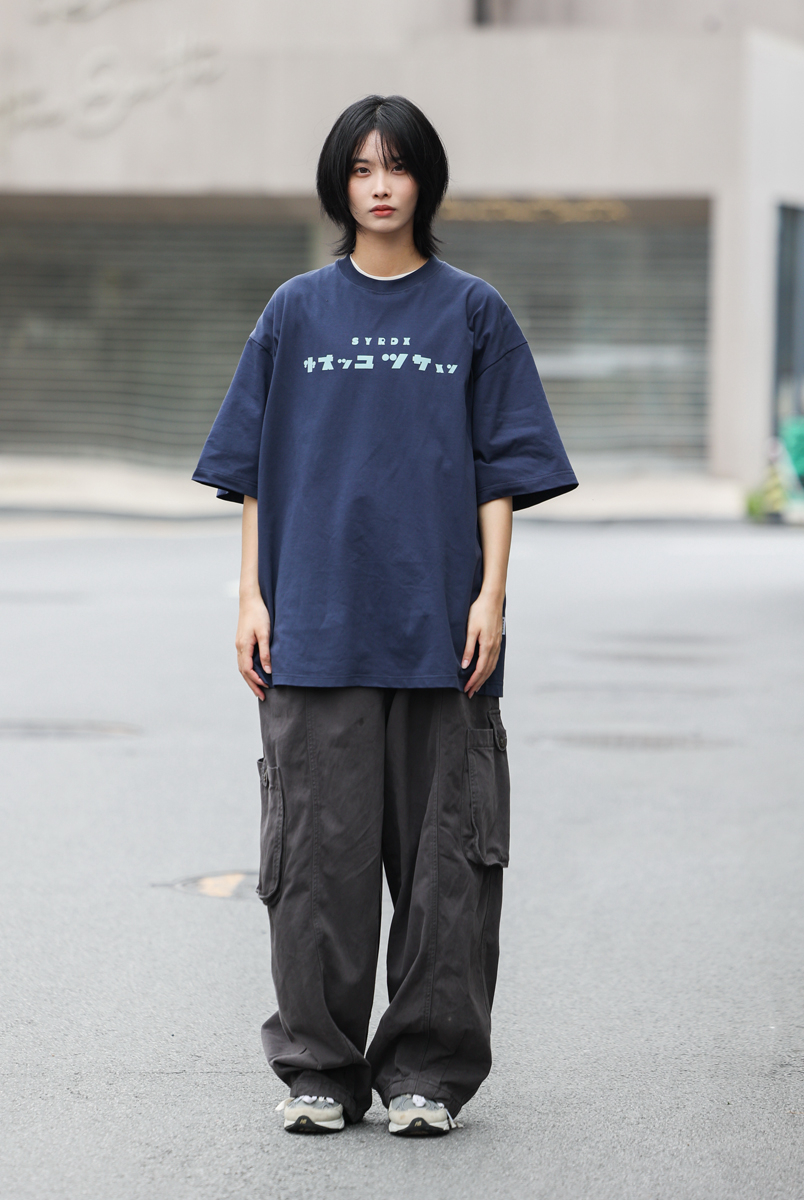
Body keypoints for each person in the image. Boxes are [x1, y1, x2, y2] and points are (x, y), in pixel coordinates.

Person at [193, 95, 577, 1137]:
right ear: (340, 184)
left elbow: (502, 472)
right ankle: (319, 1069)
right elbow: (251, 473)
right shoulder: (295, 312)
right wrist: (253, 596)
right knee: (317, 864)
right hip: (315, 628)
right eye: (360, 168)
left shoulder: (473, 312)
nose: (379, 185)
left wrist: (492, 595)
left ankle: (426, 1075)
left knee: (448, 864)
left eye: (396, 167)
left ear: (424, 182)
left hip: (441, 633)